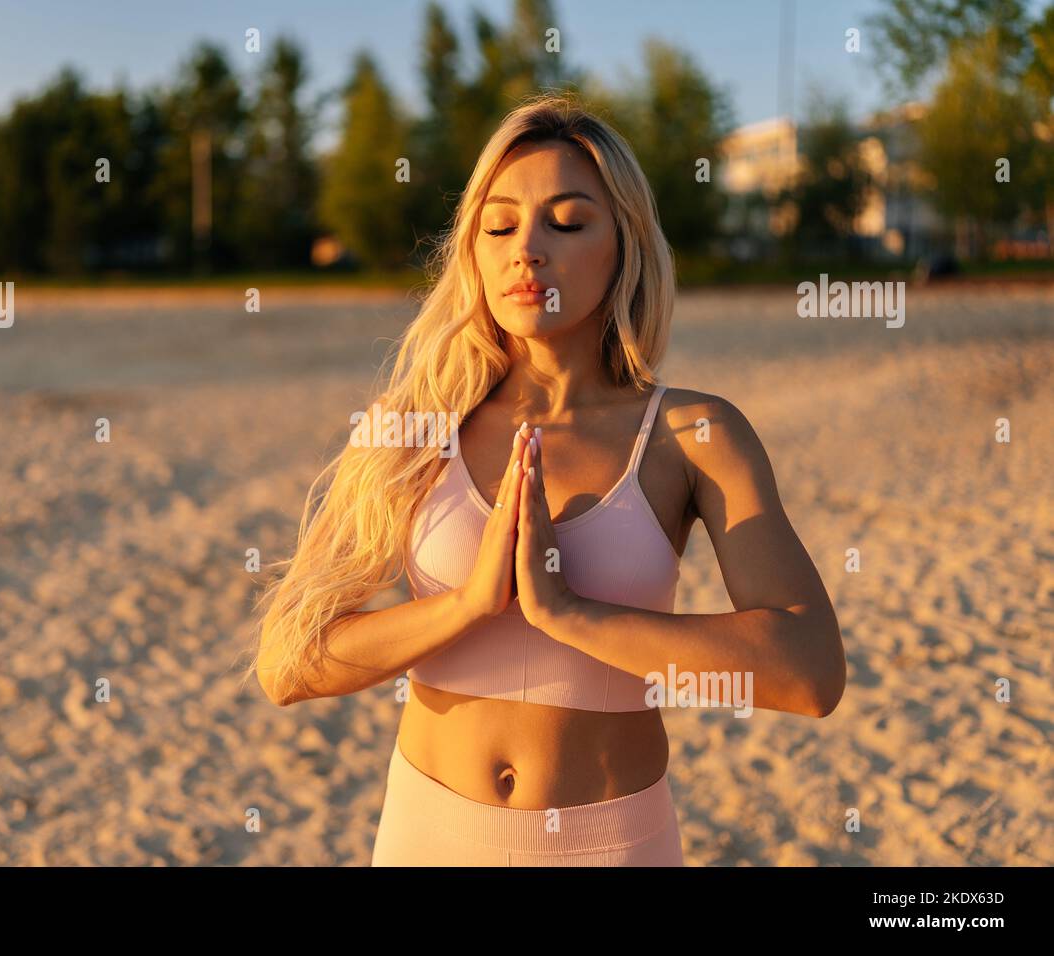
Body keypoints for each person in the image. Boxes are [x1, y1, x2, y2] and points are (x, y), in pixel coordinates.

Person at [246, 92, 846, 866]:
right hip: (428, 834)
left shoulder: (694, 433)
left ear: (624, 244)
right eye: (498, 225)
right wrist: (464, 607)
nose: (526, 250)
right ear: (473, 251)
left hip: (611, 845)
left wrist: (570, 615)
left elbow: (809, 672)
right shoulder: (416, 423)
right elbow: (288, 665)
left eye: (567, 222)